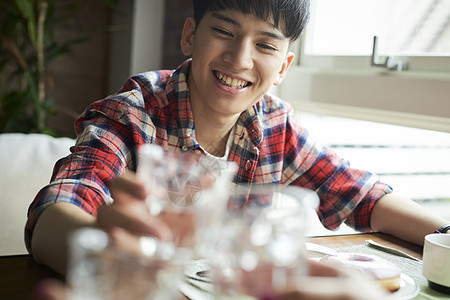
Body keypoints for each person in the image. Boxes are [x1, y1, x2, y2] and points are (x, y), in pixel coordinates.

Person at [26, 0, 449, 298]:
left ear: (283, 66)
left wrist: (445, 236)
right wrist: (108, 254)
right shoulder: (133, 114)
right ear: (190, 35)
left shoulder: (273, 125)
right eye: (224, 31)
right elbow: (56, 211)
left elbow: (362, 195)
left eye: (265, 45)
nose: (240, 58)